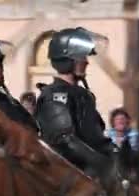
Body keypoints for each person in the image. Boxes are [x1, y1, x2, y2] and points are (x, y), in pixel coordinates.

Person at [34, 27, 114, 173]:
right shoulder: (54, 96)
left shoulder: (84, 95)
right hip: (68, 176)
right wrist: (101, 162)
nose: (86, 62)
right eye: (81, 57)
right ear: (67, 60)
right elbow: (66, 140)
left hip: (92, 172)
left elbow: (96, 136)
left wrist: (118, 155)